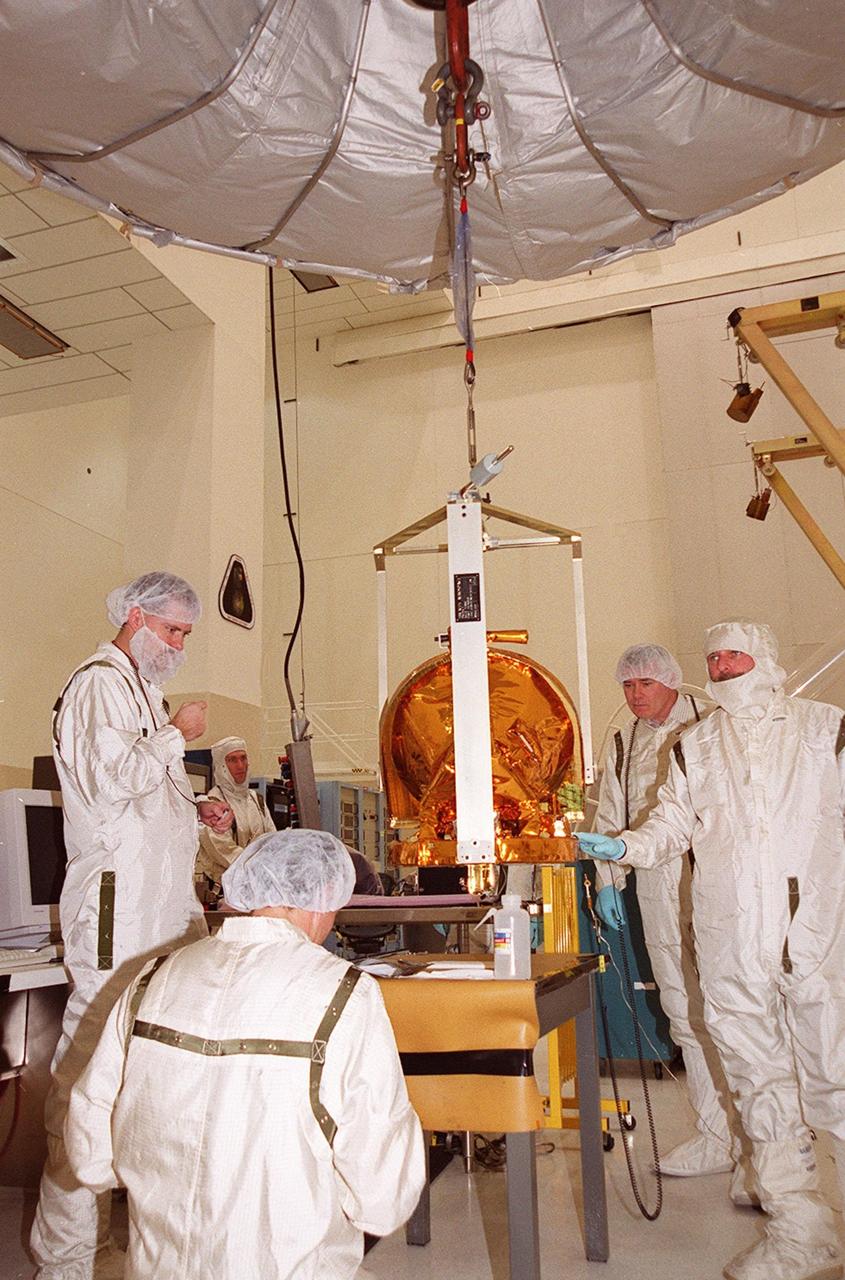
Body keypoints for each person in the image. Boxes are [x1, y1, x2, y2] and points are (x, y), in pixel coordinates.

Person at [578, 620, 845, 1280]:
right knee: (757, 1083)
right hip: (729, 941)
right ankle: (798, 1229)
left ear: (765, 655)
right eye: (713, 656)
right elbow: (670, 822)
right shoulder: (695, 747)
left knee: (833, 1076)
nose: (721, 664)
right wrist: (625, 850)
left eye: (733, 652)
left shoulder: (823, 729)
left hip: (815, 934)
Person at [64, 829, 426, 1280]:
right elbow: (382, 1195)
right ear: (322, 900)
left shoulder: (153, 977)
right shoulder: (346, 993)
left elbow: (89, 1146)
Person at [32, 572, 234, 1280]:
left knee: (164, 1061)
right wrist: (176, 737)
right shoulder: (96, 683)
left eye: (186, 635)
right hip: (119, 907)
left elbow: (148, 796)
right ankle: (62, 1260)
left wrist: (200, 810)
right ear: (138, 616)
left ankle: (153, 1241)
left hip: (162, 903)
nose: (179, 646)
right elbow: (110, 780)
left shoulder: (141, 691)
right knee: (88, 1077)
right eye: (174, 631)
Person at [592, 643, 744, 1189]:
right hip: (656, 887)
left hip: (716, 879)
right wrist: (609, 882)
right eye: (628, 686)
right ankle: (714, 1135)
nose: (635, 695)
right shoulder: (620, 744)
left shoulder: (713, 724)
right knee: (681, 1008)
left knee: (733, 1006)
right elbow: (612, 818)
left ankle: (755, 1135)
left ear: (672, 683)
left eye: (645, 685)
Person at [196, 737, 276, 900]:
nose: (240, 766)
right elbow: (227, 852)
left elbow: (272, 841)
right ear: (221, 766)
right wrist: (266, 869)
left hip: (257, 891)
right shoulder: (212, 806)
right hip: (224, 896)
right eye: (232, 760)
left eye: (243, 758)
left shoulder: (256, 800)